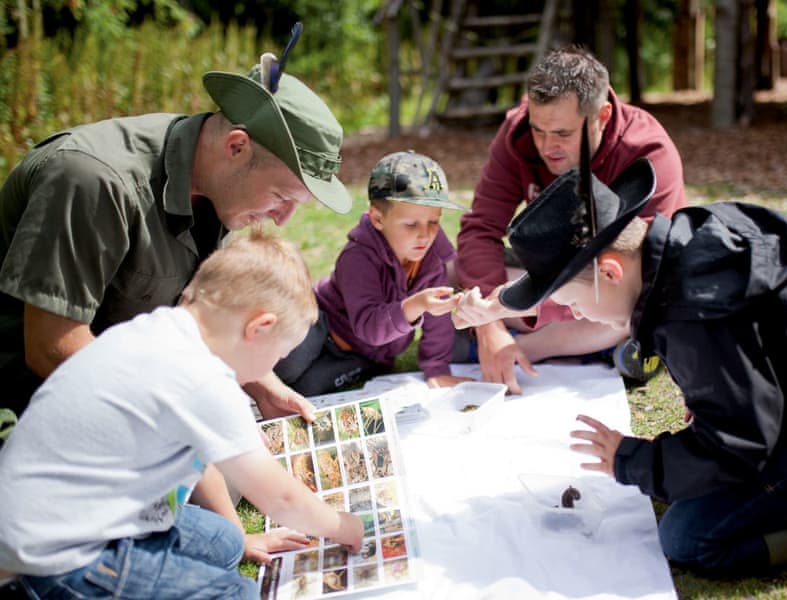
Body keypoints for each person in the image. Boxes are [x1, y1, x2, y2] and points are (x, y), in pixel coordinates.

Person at [487, 140, 787, 577]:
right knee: (682, 485)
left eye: (573, 303)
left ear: (611, 272)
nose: (575, 315)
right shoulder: (684, 248)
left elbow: (740, 442)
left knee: (687, 538)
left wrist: (629, 460)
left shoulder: (694, 309)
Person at [0, 229, 364, 598]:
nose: (271, 367)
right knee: (238, 593)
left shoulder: (154, 332)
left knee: (225, 542)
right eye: (279, 354)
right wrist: (342, 526)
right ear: (260, 327)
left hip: (39, 520)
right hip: (62, 558)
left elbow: (198, 459)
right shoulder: (204, 380)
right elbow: (281, 499)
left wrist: (240, 535)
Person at [0, 49, 351, 424]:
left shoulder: (221, 190)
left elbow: (216, 316)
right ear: (236, 147)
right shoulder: (94, 180)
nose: (282, 220)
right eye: (281, 197)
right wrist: (169, 418)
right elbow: (50, 346)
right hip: (28, 407)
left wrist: (267, 389)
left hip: (119, 391)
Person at [453, 45, 687, 394]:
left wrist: (507, 316)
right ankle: (527, 344)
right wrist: (490, 325)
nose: (548, 147)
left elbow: (649, 275)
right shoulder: (515, 135)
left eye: (563, 134)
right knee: (453, 269)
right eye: (539, 131)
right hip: (554, 280)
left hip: (611, 285)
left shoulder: (648, 153)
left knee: (628, 311)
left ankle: (526, 350)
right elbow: (480, 229)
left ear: (603, 116)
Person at [274, 151, 474, 395]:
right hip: (320, 325)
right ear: (378, 218)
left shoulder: (432, 258)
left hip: (366, 352)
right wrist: (416, 305)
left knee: (309, 387)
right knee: (287, 367)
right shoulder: (357, 258)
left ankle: (359, 366)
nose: (425, 235)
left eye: (433, 221)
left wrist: (437, 368)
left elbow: (438, 321)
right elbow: (368, 325)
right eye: (411, 224)